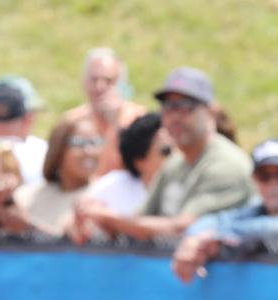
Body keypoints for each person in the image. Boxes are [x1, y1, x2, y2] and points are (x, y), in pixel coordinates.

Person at [75, 68, 255, 242]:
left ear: (209, 111)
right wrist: (96, 217)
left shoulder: (226, 165)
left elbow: (182, 229)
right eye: (168, 107)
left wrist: (109, 217)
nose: (175, 116)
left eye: (185, 106)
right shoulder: (175, 164)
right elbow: (140, 224)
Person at [171, 138, 278, 283]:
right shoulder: (258, 208)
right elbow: (218, 221)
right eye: (264, 176)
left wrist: (216, 234)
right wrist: (194, 238)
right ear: (254, 179)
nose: (273, 184)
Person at [0, 116, 101, 240]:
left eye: (95, 142)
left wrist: (28, 228)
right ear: (59, 147)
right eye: (79, 143)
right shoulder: (30, 194)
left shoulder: (102, 194)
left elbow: (73, 247)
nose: (89, 150)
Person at [67, 113, 173, 243]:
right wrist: (83, 224)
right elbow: (77, 223)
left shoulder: (188, 183)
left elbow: (174, 229)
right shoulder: (114, 184)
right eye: (166, 151)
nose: (177, 156)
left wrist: (110, 218)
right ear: (139, 159)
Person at [64, 48, 146, 176]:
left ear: (122, 84)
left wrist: (116, 122)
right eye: (94, 79)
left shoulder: (139, 120)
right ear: (84, 82)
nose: (100, 87)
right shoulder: (72, 121)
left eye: (108, 81)